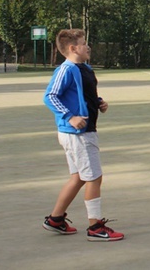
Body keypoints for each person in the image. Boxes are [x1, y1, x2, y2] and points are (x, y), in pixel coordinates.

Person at [42, 29, 124, 241]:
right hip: (78, 134)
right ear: (72, 48)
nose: (88, 46)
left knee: (78, 177)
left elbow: (86, 94)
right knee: (94, 177)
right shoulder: (66, 69)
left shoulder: (85, 69)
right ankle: (95, 228)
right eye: (84, 43)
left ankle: (55, 219)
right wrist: (70, 117)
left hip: (82, 132)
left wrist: (99, 103)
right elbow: (50, 96)